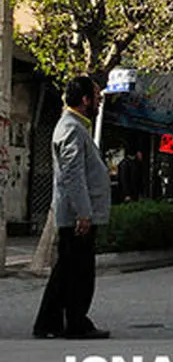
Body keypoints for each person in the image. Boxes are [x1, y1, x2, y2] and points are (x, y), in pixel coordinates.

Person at [33, 76, 111, 340]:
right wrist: (84, 212)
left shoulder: (77, 126)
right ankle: (74, 323)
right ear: (86, 100)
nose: (100, 101)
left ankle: (50, 323)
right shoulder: (71, 128)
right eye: (97, 97)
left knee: (66, 270)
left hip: (77, 214)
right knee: (77, 273)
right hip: (77, 216)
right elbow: (72, 174)